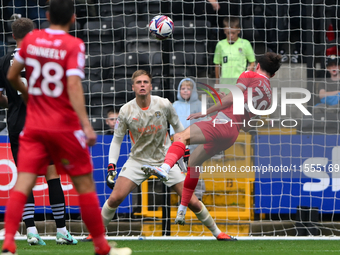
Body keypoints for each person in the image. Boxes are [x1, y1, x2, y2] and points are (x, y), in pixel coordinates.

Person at [1, 1, 131, 255]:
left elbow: (12, 76)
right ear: (73, 18)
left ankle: (8, 243)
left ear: (47, 16)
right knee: (84, 185)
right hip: (61, 124)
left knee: (24, 181)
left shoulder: (30, 44)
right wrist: (85, 124)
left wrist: (29, 97)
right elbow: (73, 86)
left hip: (33, 125)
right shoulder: (74, 45)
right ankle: (102, 247)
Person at [84, 70, 236, 242]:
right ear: (133, 87)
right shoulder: (126, 110)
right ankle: (96, 233)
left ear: (150, 86)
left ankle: (218, 233)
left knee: (192, 201)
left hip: (166, 160)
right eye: (139, 82)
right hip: (138, 160)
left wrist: (183, 153)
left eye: (145, 82)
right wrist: (112, 165)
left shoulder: (163, 104)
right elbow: (116, 141)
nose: (142, 85)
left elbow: (179, 129)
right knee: (115, 198)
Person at [143, 52, 282, 224]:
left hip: (222, 122)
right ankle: (182, 209)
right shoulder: (268, 98)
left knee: (181, 136)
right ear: (274, 74)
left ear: (257, 66)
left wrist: (207, 111)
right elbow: (247, 125)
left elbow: (233, 96)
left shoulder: (249, 74)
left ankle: (164, 168)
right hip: (233, 133)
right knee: (193, 162)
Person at [0, 17, 77, 246]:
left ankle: (32, 231)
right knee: (52, 175)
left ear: (13, 36)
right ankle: (62, 231)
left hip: (17, 124)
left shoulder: (4, 61)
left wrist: (11, 102)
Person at [170, 78, 205, 201]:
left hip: (195, 144)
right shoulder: (174, 105)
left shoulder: (200, 105)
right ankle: (183, 196)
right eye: (183, 89)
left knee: (195, 169)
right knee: (181, 171)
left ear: (193, 90)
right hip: (180, 143)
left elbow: (204, 122)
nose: (185, 91)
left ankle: (198, 196)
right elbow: (171, 123)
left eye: (188, 89)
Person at [214, 16, 255, 95]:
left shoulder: (245, 44)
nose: (231, 35)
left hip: (240, 84)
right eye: (228, 33)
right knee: (225, 106)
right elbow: (217, 64)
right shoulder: (220, 45)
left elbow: (252, 62)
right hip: (225, 84)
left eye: (233, 33)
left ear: (238, 31)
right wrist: (217, 81)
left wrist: (250, 69)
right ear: (224, 31)